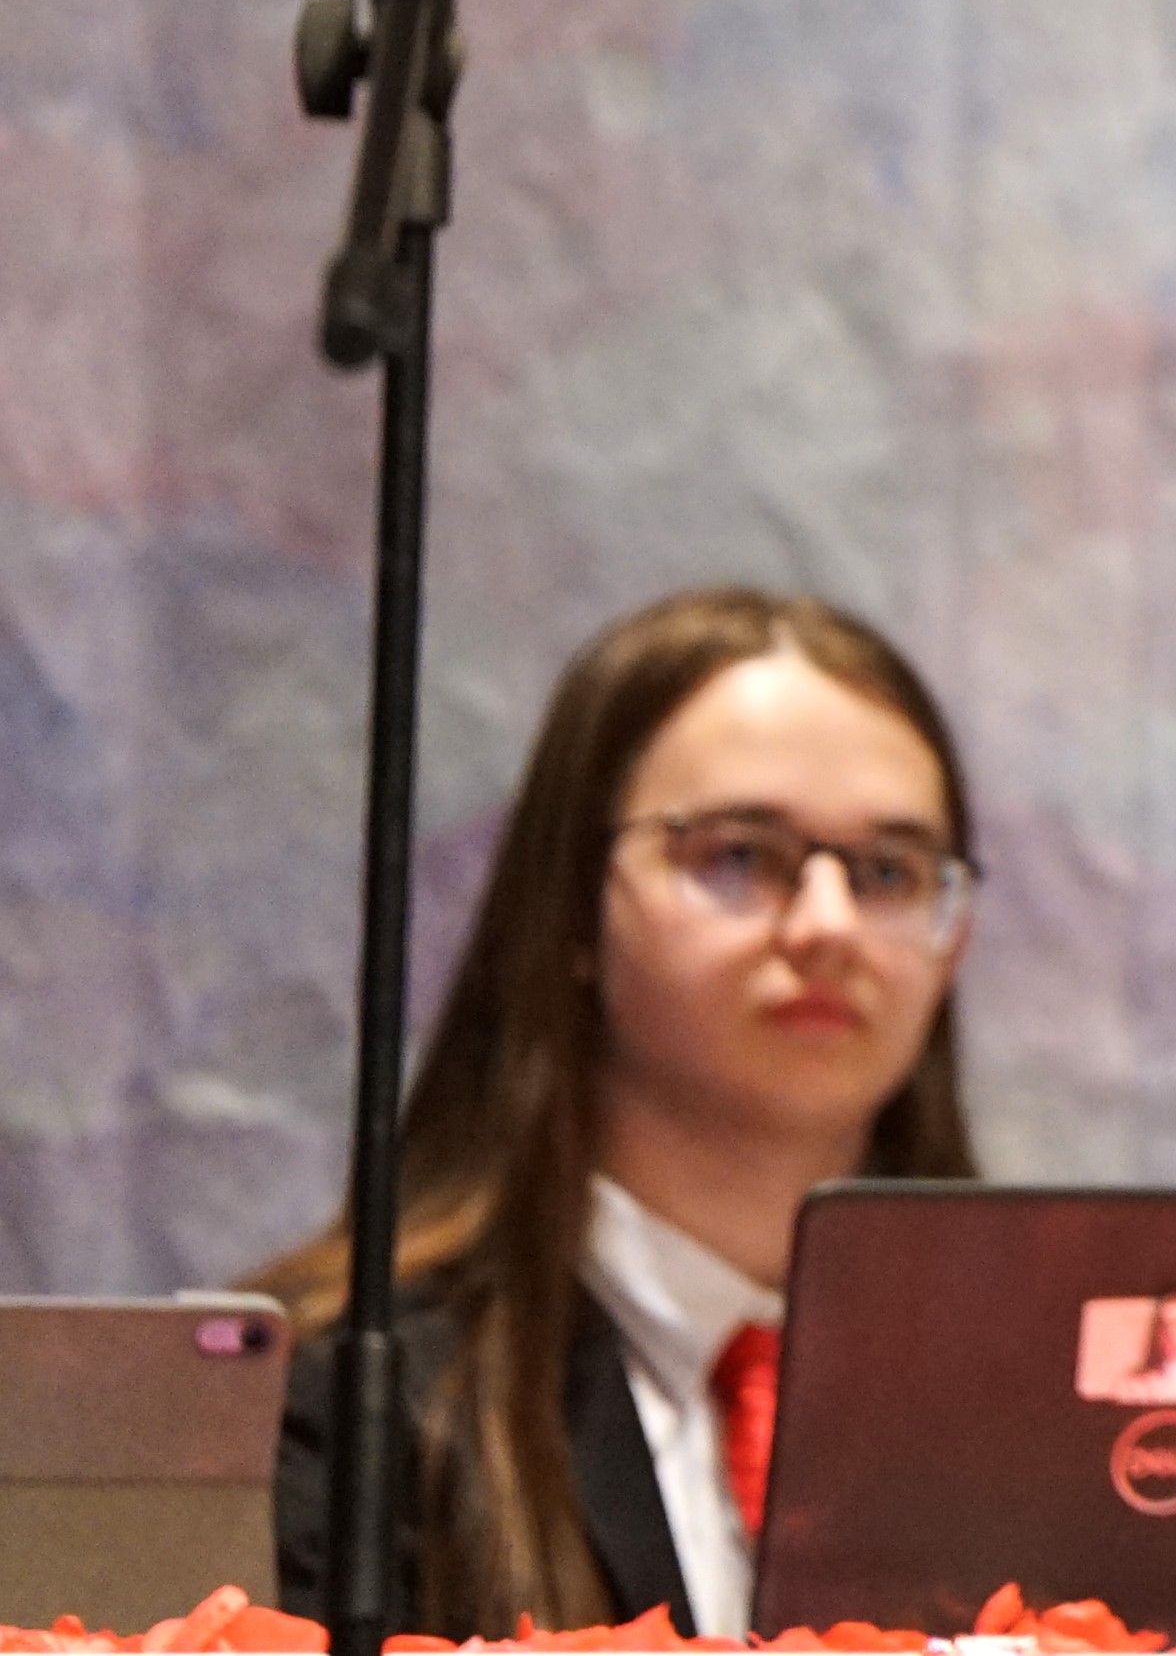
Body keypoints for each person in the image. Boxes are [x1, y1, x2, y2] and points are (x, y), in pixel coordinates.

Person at [262, 589, 984, 1640]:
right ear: (571, 909)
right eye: (739, 855)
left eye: (888, 873)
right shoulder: (340, 1399)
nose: (828, 926)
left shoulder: (1052, 1411)